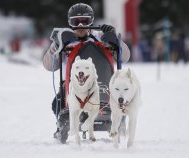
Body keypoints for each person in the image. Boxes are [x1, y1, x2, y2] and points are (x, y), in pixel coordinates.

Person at [43, 3, 130, 141]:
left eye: (85, 21)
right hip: (73, 87)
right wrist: (57, 46)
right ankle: (62, 128)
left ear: (92, 21)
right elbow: (49, 66)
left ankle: (117, 127)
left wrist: (116, 42)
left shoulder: (101, 36)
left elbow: (125, 57)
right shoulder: (65, 40)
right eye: (76, 22)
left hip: (102, 85)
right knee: (57, 102)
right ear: (70, 23)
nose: (81, 26)